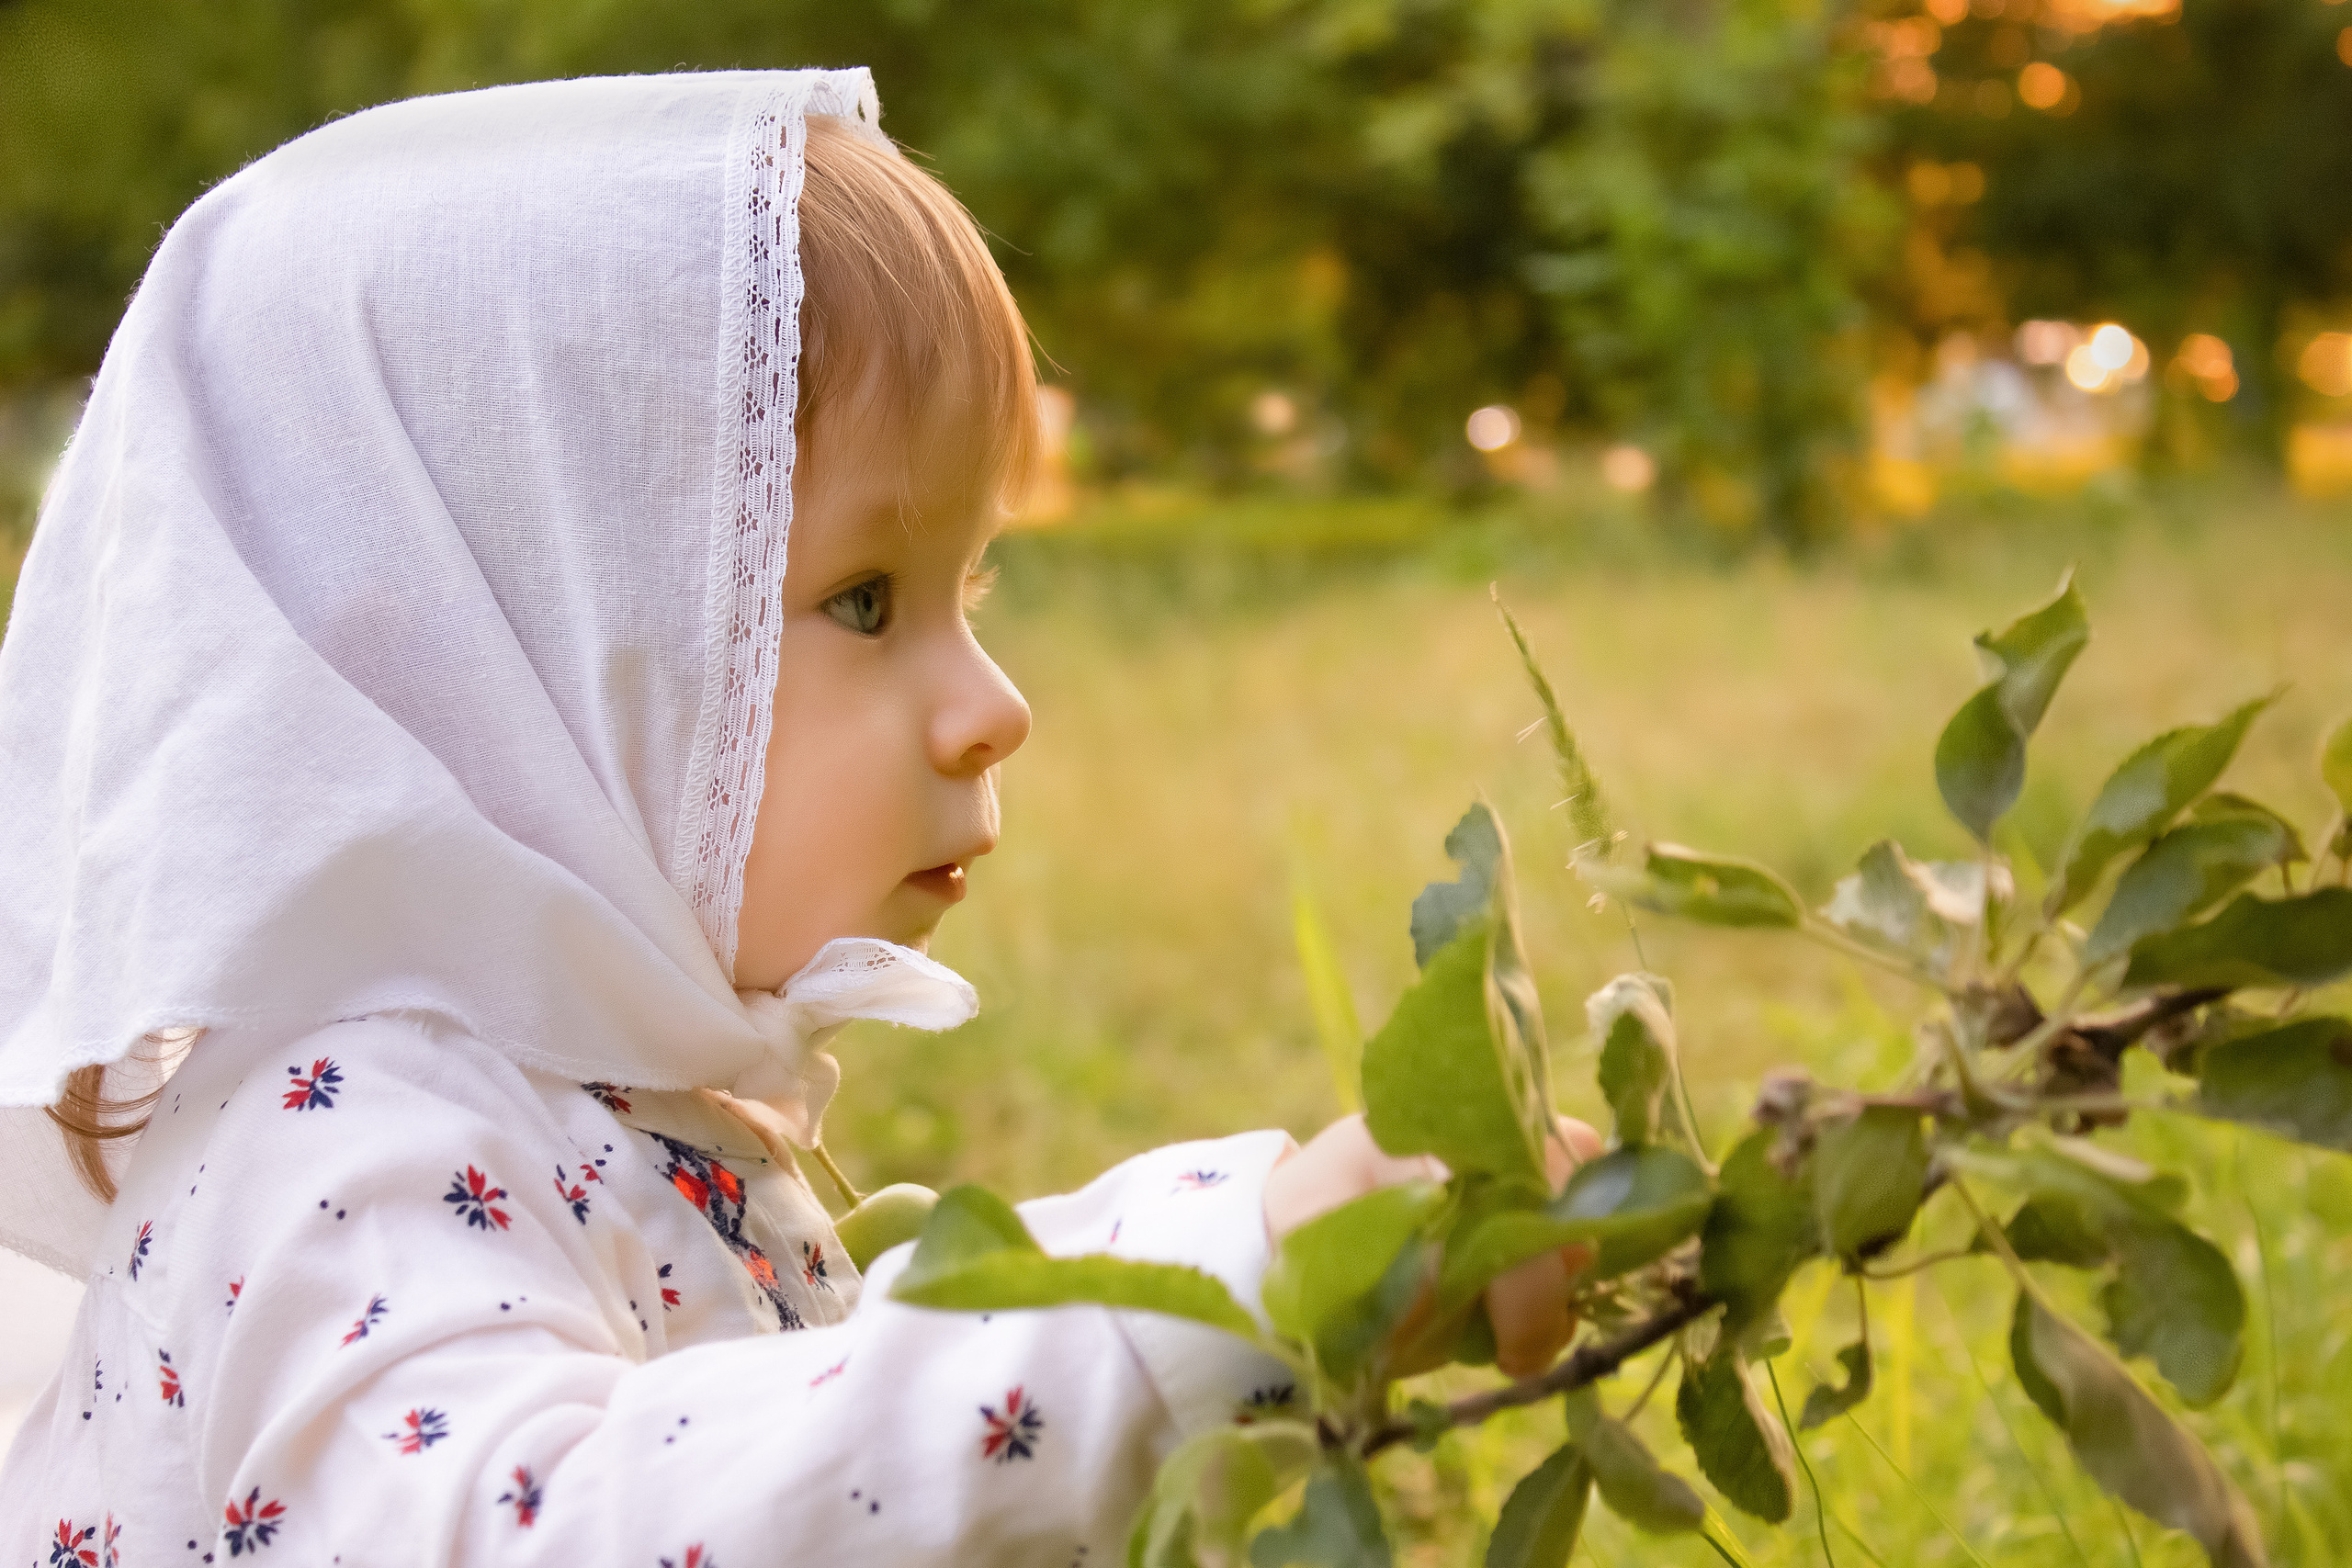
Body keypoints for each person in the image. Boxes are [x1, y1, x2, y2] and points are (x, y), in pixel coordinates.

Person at [0, 70, 1595, 1564]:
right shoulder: (345, 1145)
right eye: (860, 598)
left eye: (968, 587)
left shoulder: (600, 1100)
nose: (994, 706)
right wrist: (1192, 1291)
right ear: (493, 667)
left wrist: (1280, 1277)